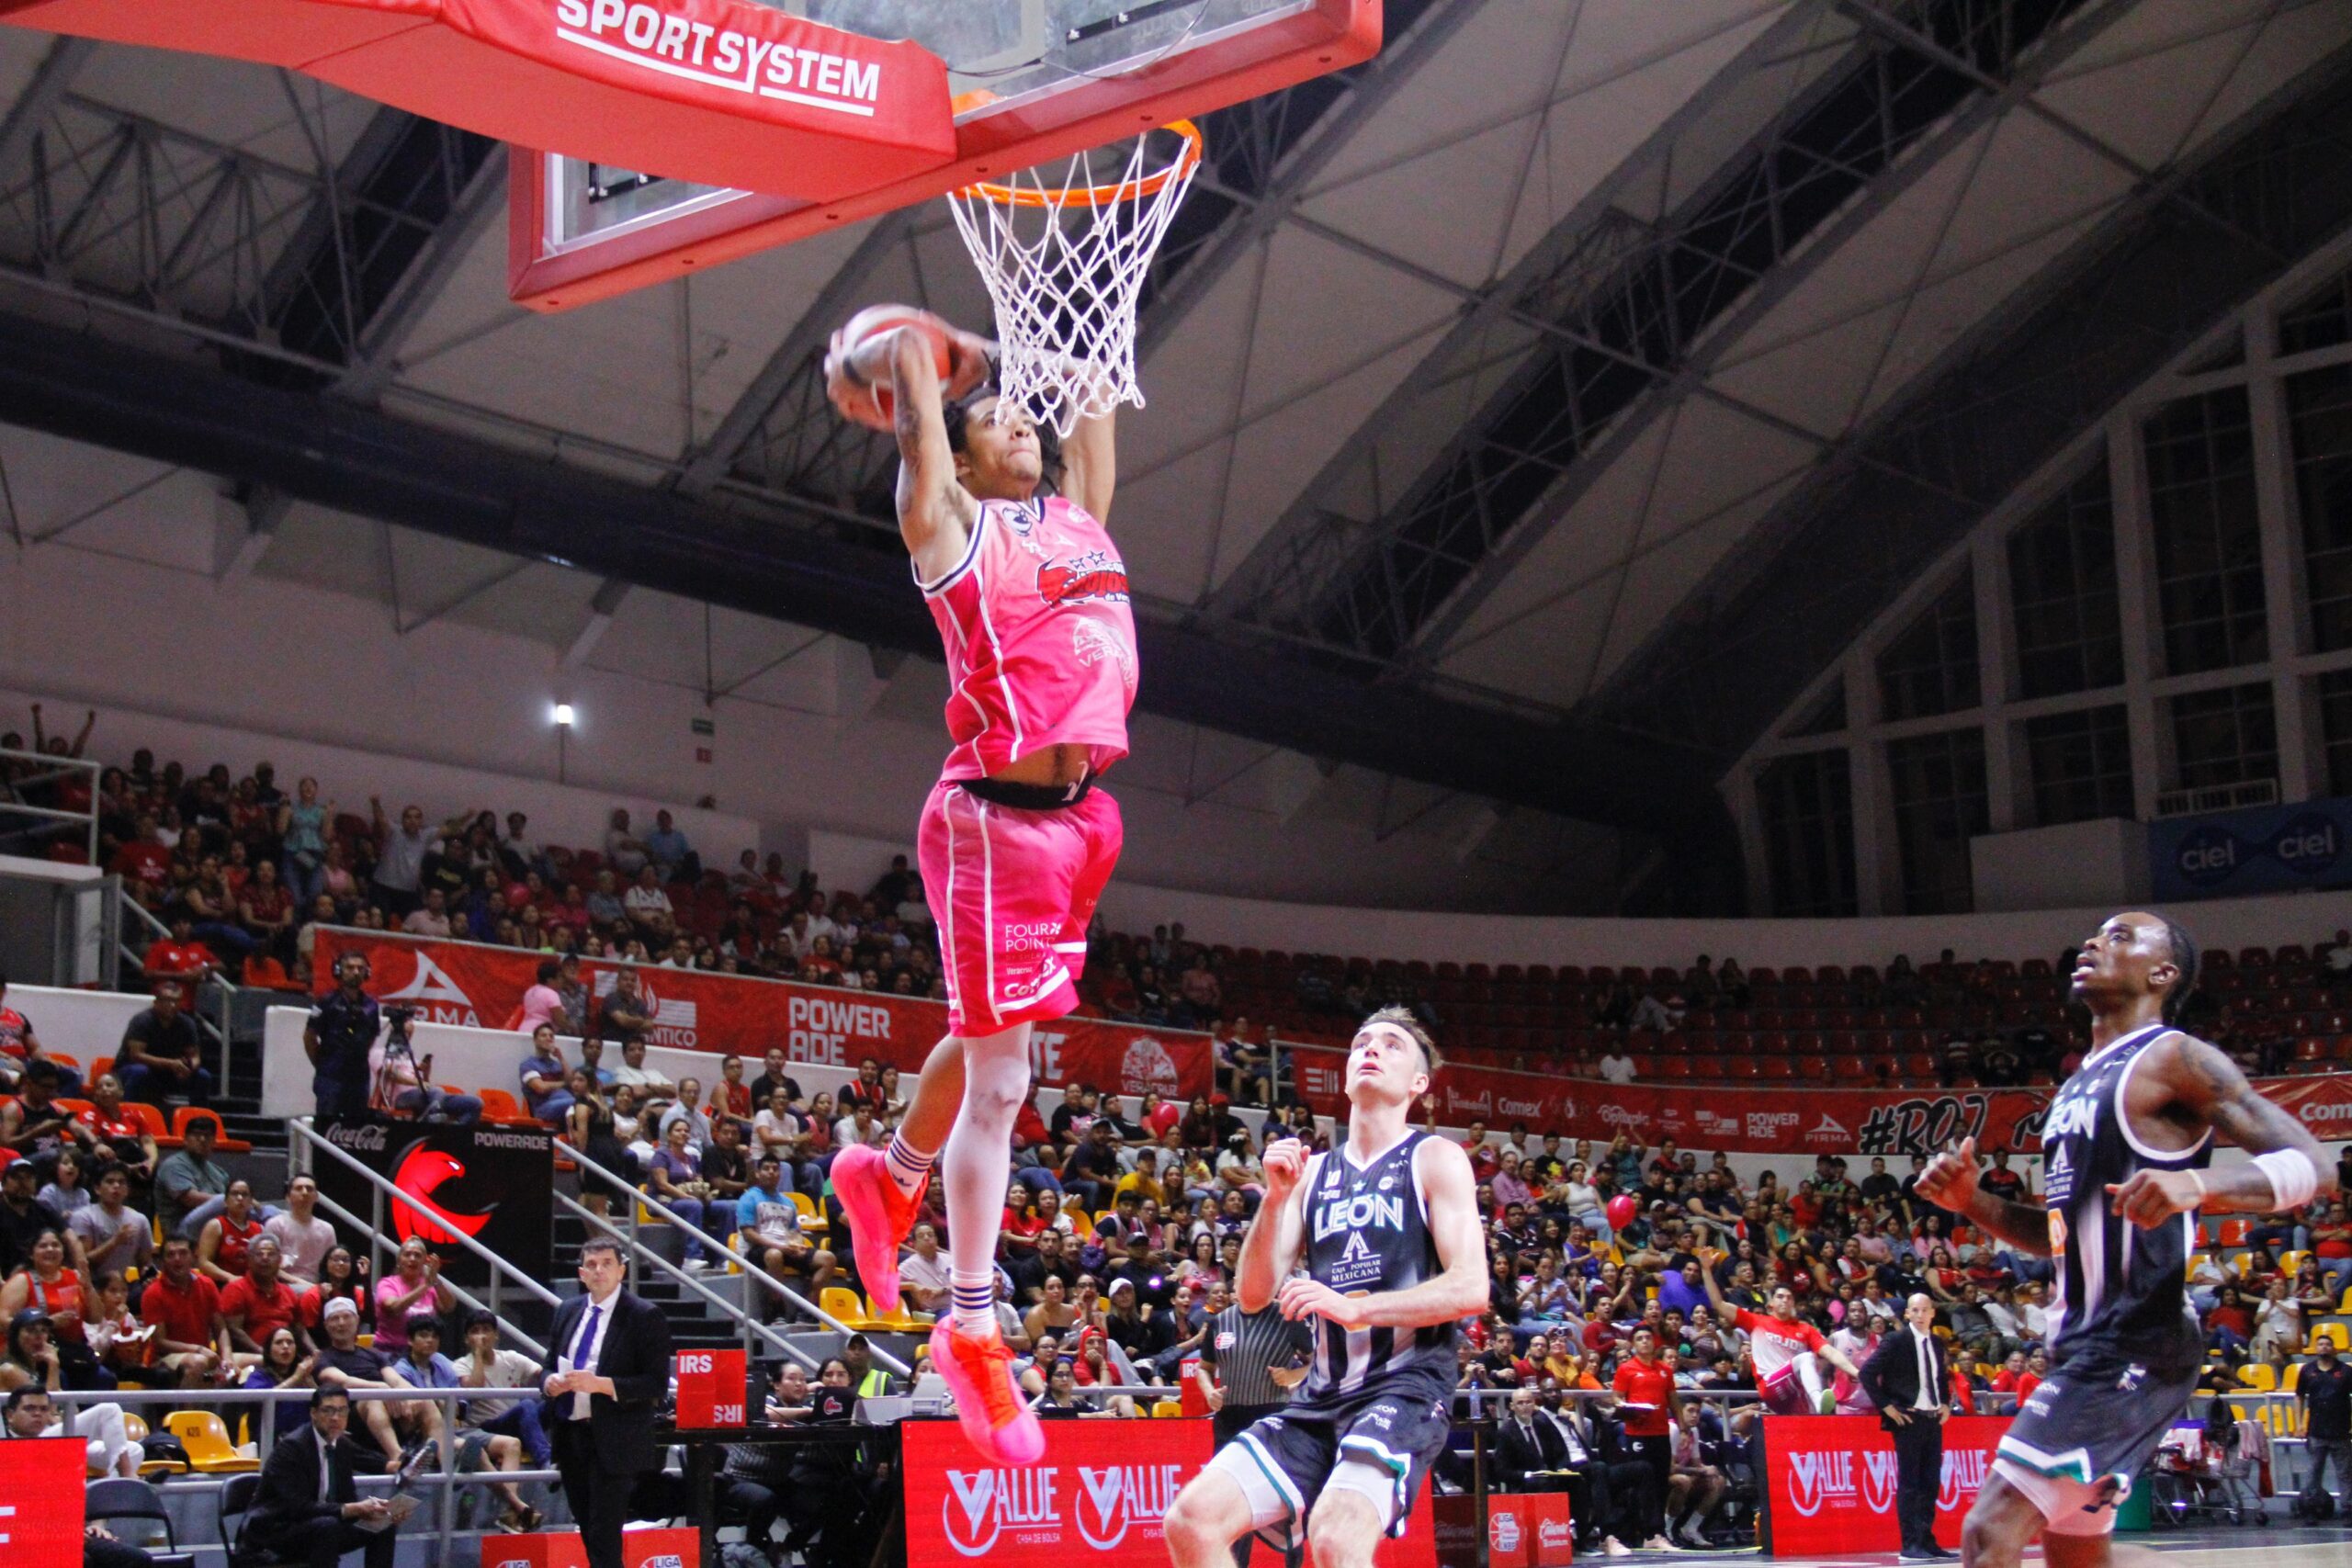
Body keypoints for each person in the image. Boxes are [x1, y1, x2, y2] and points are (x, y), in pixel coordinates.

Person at [820, 304, 1135, 1464]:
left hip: (1081, 821)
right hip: (989, 822)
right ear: (955, 452)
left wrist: (1071, 347)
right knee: (1005, 1078)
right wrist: (933, 353)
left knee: (992, 1031)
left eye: (1023, 421)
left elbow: (1095, 405)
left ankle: (885, 1172)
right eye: (995, 422)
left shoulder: (1078, 522)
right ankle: (969, 1327)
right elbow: (909, 385)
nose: (1025, 430)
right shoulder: (945, 523)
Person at [1917, 910, 2338, 1568]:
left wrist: (2199, 1186)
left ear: (2162, 972)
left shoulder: (2174, 1056)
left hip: (2134, 1337)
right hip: (2089, 1340)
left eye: (2120, 936)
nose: (2093, 942)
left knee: (1987, 1532)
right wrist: (1971, 1201)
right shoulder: (2077, 1086)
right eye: (2096, 934)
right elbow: (2060, 1234)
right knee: (2074, 1553)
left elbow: (2317, 1166)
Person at [1165, 1009, 1486, 1568]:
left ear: (1418, 1083)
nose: (1371, 1049)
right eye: (1362, 1042)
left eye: (1391, 1044)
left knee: (1334, 1533)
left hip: (1406, 1386)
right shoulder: (1313, 1174)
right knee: (1192, 1521)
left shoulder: (1435, 1157)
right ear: (1344, 1076)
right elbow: (1252, 1295)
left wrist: (1357, 1311)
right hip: (1320, 1395)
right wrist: (1273, 1198)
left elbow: (1471, 1287)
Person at [544, 1236, 673, 1568]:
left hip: (616, 1437)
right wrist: (549, 1383)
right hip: (572, 1433)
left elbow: (655, 1383)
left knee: (604, 1530)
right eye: (591, 1265)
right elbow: (547, 1364)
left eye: (607, 1264)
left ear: (622, 1271)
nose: (599, 1270)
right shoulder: (567, 1310)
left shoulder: (644, 1315)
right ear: (581, 1273)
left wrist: (602, 1385)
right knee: (586, 1524)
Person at [237, 1385, 401, 1568]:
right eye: (328, 1411)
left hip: (318, 1526)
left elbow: (361, 1476)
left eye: (342, 1411)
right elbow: (297, 1508)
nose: (335, 1418)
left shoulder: (341, 1445)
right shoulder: (291, 1448)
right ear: (313, 1413)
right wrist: (354, 1508)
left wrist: (374, 1508)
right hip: (275, 1533)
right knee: (327, 1527)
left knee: (383, 1522)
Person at [1860, 1292, 1954, 1562]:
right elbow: (1867, 1373)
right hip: (1908, 1418)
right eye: (1915, 1310)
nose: (1921, 1314)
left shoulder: (1936, 1343)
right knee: (1910, 1482)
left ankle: (1926, 1539)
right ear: (1908, 1314)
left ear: (1933, 1313)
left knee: (1931, 1482)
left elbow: (1940, 1377)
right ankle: (1910, 1544)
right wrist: (1887, 1406)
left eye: (1925, 1310)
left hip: (1932, 1417)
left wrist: (1945, 1403)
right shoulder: (1896, 1340)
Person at [117, 979, 214, 1108]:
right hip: (136, 1068)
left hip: (171, 1071)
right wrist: (170, 1064)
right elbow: (136, 1055)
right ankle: (128, 1114)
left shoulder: (187, 1023)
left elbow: (195, 1055)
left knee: (203, 1076)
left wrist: (190, 1068)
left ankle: (198, 1120)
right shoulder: (142, 1021)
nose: (172, 1005)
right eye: (167, 1000)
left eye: (176, 1001)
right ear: (156, 1002)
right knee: (139, 1072)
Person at [2301, 1335, 2352, 1516]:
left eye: (2328, 1344)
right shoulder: (2307, 1371)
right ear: (2315, 1348)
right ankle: (2311, 1510)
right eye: (2320, 1344)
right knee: (2313, 1474)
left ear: (2333, 1348)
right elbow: (2299, 1396)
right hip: (2316, 1431)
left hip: (2341, 1432)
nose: (2324, 1347)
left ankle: (2348, 1510)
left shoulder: (2346, 1371)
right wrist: (2300, 1423)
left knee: (2345, 1474)